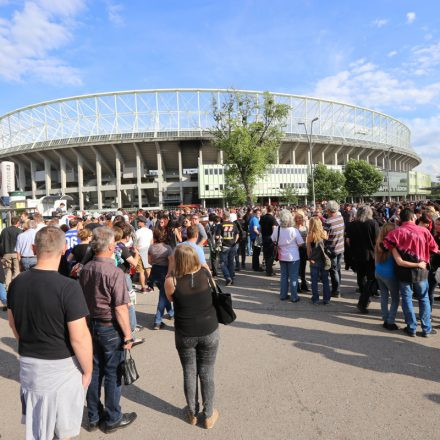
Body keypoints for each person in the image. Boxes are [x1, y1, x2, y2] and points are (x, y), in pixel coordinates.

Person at [7, 226, 93, 440]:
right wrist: (88, 370)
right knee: (62, 430)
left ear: (34, 248)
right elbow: (79, 337)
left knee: (38, 427)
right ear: (64, 248)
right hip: (61, 366)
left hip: (30, 364)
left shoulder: (16, 284)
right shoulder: (68, 287)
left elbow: (13, 323)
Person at [79, 227, 137, 433]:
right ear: (112, 247)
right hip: (109, 327)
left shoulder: (85, 268)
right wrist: (128, 335)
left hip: (90, 324)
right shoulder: (114, 272)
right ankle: (113, 417)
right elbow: (120, 308)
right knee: (113, 373)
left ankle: (94, 416)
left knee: (94, 370)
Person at [164, 244, 220, 429]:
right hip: (209, 329)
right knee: (207, 370)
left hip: (185, 332)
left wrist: (171, 266)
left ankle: (193, 412)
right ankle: (209, 414)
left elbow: (171, 299)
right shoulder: (205, 273)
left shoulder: (171, 280)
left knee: (189, 371)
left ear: (176, 260)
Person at [383, 208, 439, 337]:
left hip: (403, 271)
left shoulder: (396, 232)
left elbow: (384, 247)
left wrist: (397, 248)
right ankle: (426, 328)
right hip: (421, 270)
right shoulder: (424, 231)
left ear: (401, 219)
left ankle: (412, 327)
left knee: (407, 299)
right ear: (413, 218)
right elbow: (434, 248)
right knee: (424, 298)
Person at [346, 206, 380, 313]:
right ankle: (363, 300)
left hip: (356, 254)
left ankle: (364, 295)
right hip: (370, 255)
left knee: (361, 276)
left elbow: (348, 240)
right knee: (371, 278)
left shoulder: (352, 224)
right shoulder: (373, 223)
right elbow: (377, 240)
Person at [271, 209, 304, 302]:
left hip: (282, 255)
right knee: (293, 277)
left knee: (284, 276)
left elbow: (273, 239)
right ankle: (294, 297)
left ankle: (283, 295)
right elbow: (301, 243)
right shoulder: (294, 230)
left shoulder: (277, 229)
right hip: (293, 256)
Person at [375, 223, 401, 330]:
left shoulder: (378, 243)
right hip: (390, 275)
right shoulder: (393, 246)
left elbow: (375, 260)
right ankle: (390, 321)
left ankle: (385, 317)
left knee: (384, 295)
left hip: (379, 272)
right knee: (395, 298)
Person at [149, 228, 174, 330]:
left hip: (155, 272)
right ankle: (157, 320)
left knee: (164, 294)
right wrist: (169, 273)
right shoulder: (168, 248)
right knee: (163, 297)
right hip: (165, 271)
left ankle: (171, 312)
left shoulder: (151, 248)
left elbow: (149, 262)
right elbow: (171, 262)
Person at [306, 217, 331, 305]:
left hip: (314, 260)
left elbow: (308, 250)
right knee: (325, 280)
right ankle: (326, 299)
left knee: (314, 280)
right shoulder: (324, 233)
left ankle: (315, 299)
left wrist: (309, 259)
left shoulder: (310, 235)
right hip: (324, 259)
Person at [324, 201, 345, 298]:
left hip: (332, 249)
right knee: (338, 268)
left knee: (333, 270)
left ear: (328, 210)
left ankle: (336, 291)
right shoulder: (341, 218)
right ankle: (338, 287)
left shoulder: (328, 222)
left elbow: (324, 236)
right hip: (340, 247)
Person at [216, 211, 239, 285]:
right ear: (229, 217)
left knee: (223, 263)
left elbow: (217, 236)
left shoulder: (220, 225)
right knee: (231, 263)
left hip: (224, 246)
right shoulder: (233, 224)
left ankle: (228, 277)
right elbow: (237, 234)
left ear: (223, 216)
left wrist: (219, 238)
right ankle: (232, 278)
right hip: (232, 246)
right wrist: (234, 241)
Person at [0, 216, 22, 289]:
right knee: (16, 270)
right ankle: (16, 287)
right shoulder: (19, 231)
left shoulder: (4, 230)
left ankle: (8, 287)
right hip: (16, 253)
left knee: (8, 270)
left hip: (6, 254)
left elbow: (1, 243)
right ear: (18, 223)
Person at [135, 216, 153, 293]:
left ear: (142, 222)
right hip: (148, 250)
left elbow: (134, 243)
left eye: (138, 221)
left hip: (140, 251)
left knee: (141, 271)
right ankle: (150, 287)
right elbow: (151, 242)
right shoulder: (150, 231)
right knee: (148, 270)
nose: (137, 222)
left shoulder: (138, 232)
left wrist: (135, 248)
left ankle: (143, 288)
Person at [260, 206, 277, 276]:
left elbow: (260, 228)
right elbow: (274, 229)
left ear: (267, 209)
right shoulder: (272, 218)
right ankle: (269, 271)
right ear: (272, 210)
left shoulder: (263, 217)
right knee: (271, 255)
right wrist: (275, 238)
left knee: (266, 254)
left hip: (264, 237)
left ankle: (268, 270)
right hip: (270, 238)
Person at [294, 211, 309, 291]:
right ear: (295, 219)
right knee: (297, 268)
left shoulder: (305, 227)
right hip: (296, 249)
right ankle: (297, 286)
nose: (300, 219)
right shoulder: (294, 228)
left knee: (303, 268)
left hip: (304, 249)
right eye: (298, 218)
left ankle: (304, 284)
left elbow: (307, 238)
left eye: (301, 218)